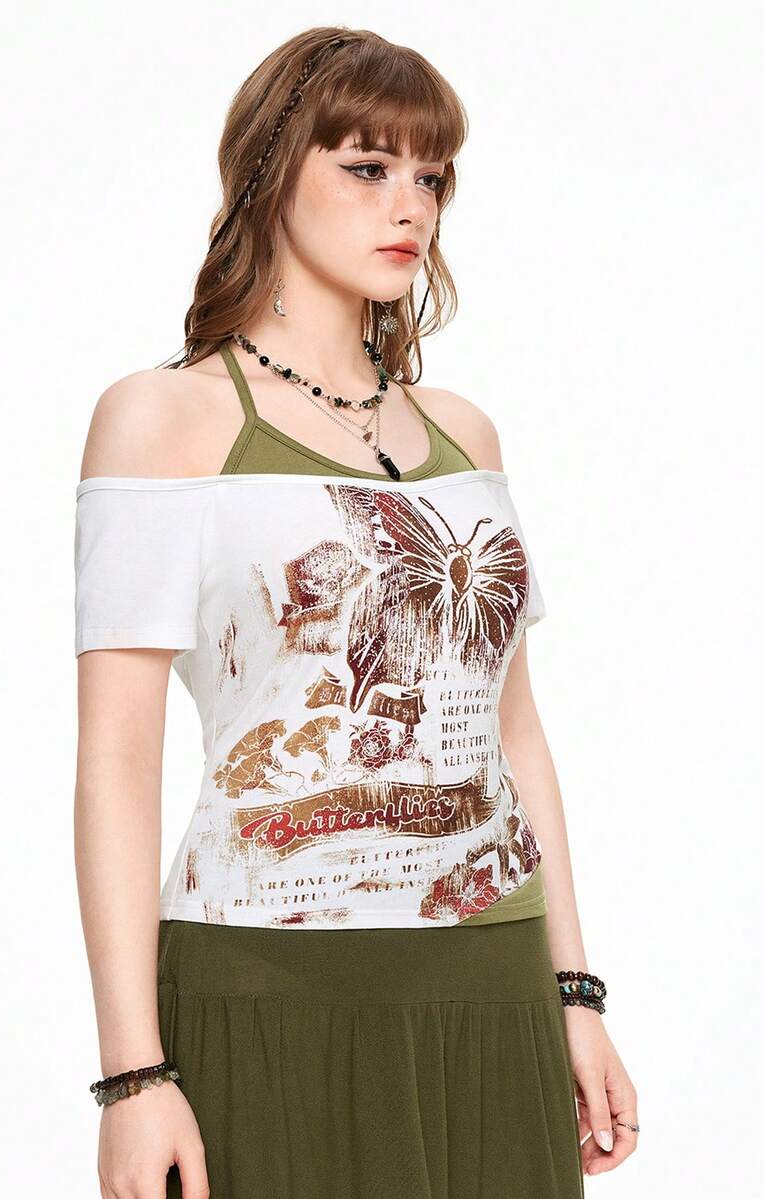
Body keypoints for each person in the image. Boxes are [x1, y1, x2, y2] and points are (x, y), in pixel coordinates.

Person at [73, 25, 639, 1199]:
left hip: (493, 984)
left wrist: (575, 994)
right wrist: (133, 1076)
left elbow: (514, 733)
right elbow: (117, 763)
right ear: (271, 172)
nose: (410, 205)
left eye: (432, 174)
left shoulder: (463, 434)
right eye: (369, 167)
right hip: (270, 984)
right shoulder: (164, 419)